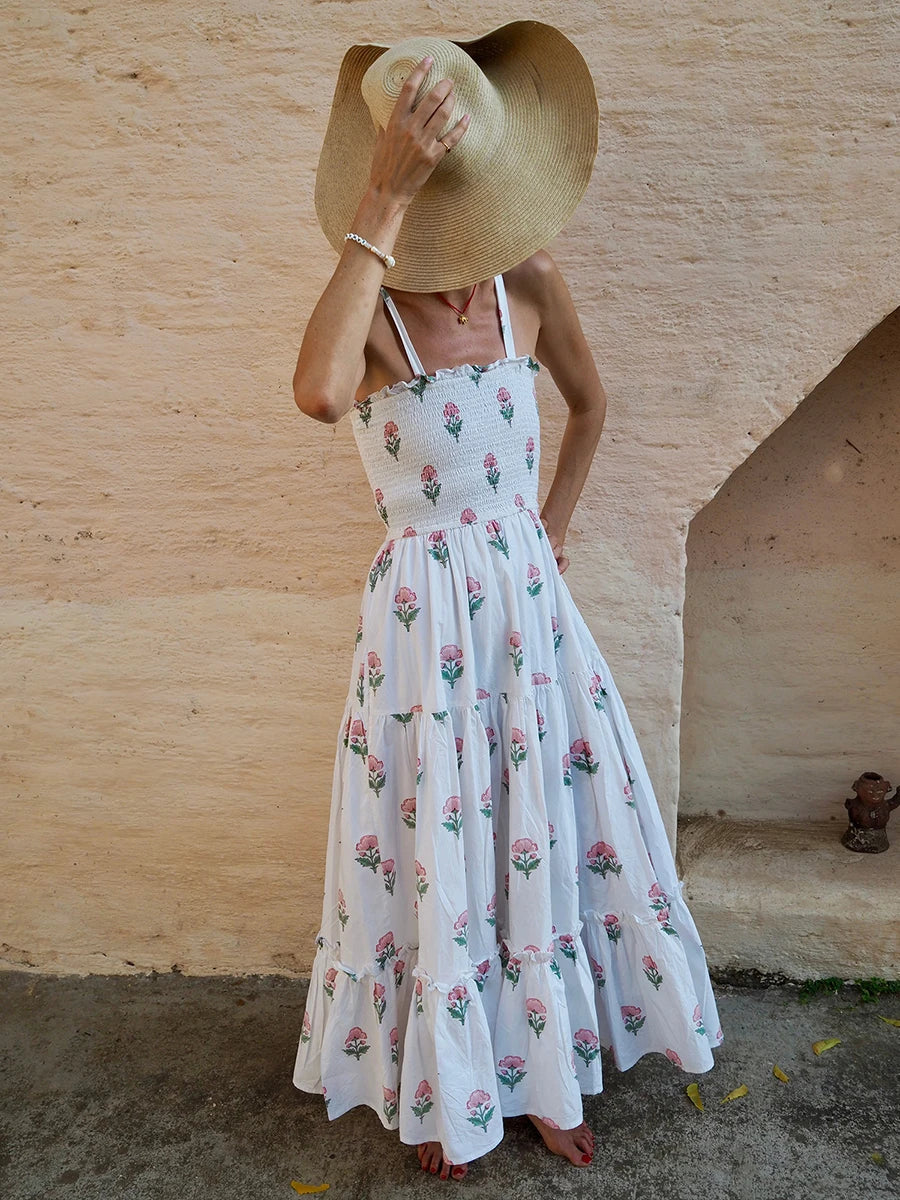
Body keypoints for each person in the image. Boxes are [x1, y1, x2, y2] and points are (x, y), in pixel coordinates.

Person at [291, 22, 723, 1184]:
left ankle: (538, 1081)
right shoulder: (369, 313)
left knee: (534, 831)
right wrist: (382, 203)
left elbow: (590, 407)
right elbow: (319, 393)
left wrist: (555, 531)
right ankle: (449, 1080)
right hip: (422, 632)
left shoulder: (523, 280)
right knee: (443, 841)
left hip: (529, 615)